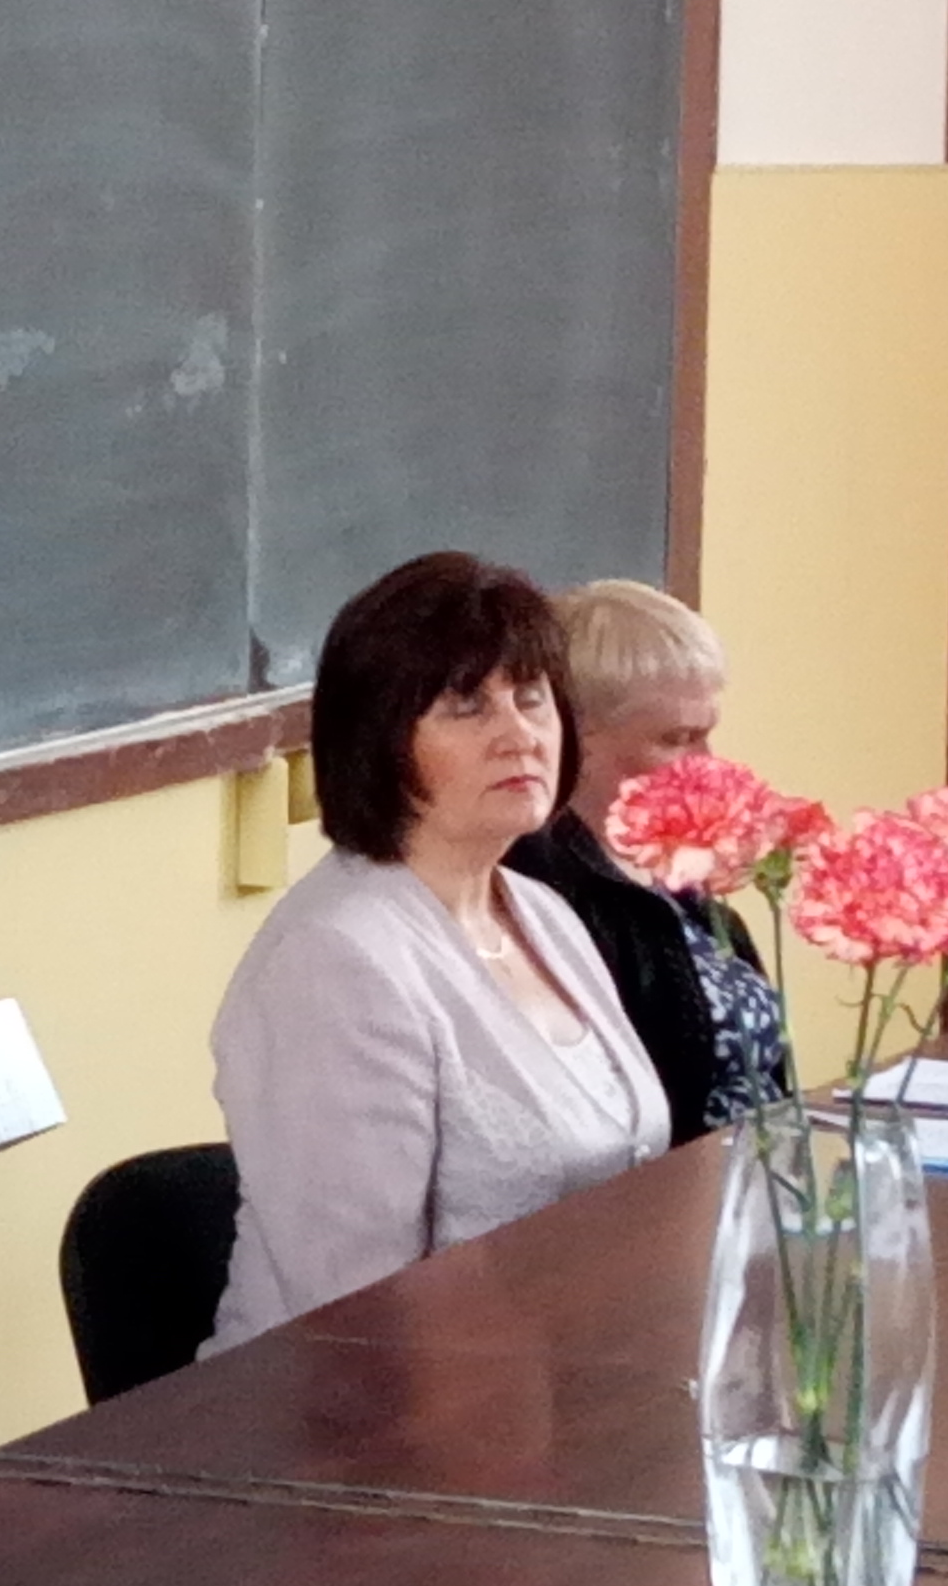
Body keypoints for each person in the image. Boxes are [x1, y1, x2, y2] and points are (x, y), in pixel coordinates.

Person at [205, 551, 670, 1350]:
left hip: (567, 1378)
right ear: (380, 742)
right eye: (466, 707)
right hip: (355, 1407)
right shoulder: (337, 963)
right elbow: (359, 1314)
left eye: (531, 698)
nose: (519, 735)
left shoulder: (541, 911)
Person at [507, 575, 792, 1143]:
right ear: (574, 736)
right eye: (676, 738)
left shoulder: (673, 875)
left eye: (706, 734)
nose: (706, 763)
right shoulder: (542, 893)